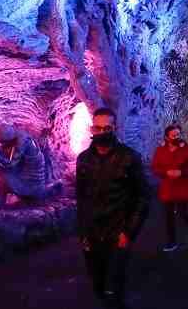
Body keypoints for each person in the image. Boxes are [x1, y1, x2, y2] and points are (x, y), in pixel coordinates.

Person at [77, 108, 150, 309]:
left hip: (118, 232)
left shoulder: (129, 158)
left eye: (106, 128)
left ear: (115, 128)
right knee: (98, 282)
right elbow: (81, 198)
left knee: (115, 285)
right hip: (92, 233)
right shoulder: (83, 159)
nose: (101, 132)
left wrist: (128, 231)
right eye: (97, 128)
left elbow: (143, 197)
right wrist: (82, 232)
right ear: (92, 129)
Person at [0, 124, 58, 207]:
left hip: (31, 183)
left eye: (2, 142)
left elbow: (10, 165)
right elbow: (6, 162)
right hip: (23, 175)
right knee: (0, 175)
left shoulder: (22, 142)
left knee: (2, 177)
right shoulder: (13, 139)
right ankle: (0, 201)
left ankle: (0, 202)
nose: (1, 144)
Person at [151, 124, 188, 252]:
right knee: (168, 216)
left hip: (182, 186)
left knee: (183, 213)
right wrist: (165, 172)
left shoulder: (185, 148)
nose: (176, 137)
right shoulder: (160, 150)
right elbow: (155, 167)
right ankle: (171, 242)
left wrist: (182, 173)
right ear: (167, 137)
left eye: (178, 134)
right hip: (168, 188)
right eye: (173, 135)